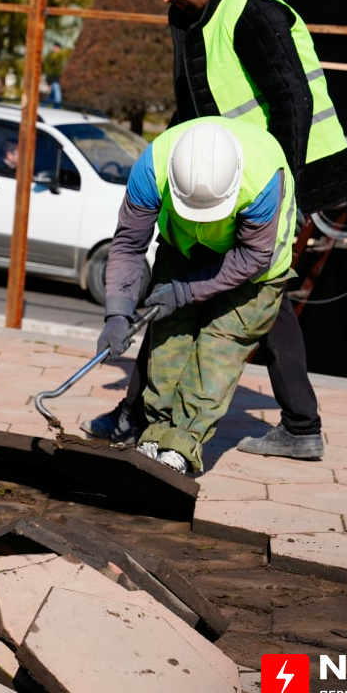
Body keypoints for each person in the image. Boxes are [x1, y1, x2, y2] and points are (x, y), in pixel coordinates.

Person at [82, 0, 347, 461]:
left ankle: (145, 417)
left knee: (251, 290)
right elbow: (194, 98)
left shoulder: (254, 11)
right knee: (235, 294)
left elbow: (293, 102)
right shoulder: (188, 11)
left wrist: (286, 190)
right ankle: (296, 425)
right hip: (210, 175)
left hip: (269, 177)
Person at [97, 116, 298, 474]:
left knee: (216, 350)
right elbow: (129, 243)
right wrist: (117, 312)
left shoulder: (263, 178)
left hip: (255, 268)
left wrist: (186, 290)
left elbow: (253, 256)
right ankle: (155, 437)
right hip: (183, 248)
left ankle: (182, 448)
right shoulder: (154, 166)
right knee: (169, 342)